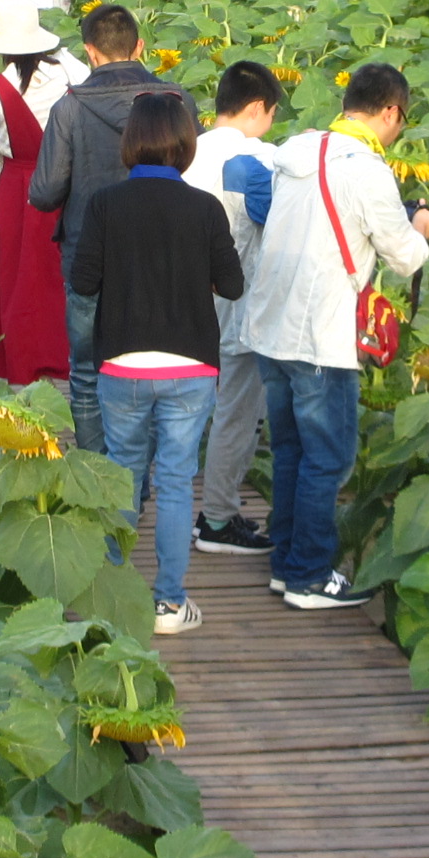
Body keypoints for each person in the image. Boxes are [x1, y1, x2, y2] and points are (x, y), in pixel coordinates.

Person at [236, 63, 429, 610]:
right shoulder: (368, 170)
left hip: (270, 324)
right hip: (320, 334)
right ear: (391, 111)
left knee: (289, 451)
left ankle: (286, 563)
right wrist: (420, 227)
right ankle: (308, 576)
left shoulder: (296, 150)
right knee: (327, 458)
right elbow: (404, 256)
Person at [67, 92, 243, 637]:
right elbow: (233, 285)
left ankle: (112, 597)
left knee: (122, 475)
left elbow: (82, 281)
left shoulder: (105, 204)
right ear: (186, 146)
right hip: (190, 367)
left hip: (121, 363)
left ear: (131, 144)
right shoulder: (205, 209)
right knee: (174, 482)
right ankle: (169, 603)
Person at [28, 5, 181, 454]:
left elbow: (45, 192)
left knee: (87, 370)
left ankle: (97, 471)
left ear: (90, 52)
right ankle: (139, 475)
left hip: (87, 256)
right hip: (163, 255)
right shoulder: (178, 103)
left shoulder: (70, 107)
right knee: (153, 368)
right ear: (140, 47)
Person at [183, 61, 283, 557]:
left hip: (181, 298)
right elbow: (280, 222)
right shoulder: (259, 158)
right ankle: (217, 519)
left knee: (181, 412)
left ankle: (163, 508)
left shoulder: (188, 150)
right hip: (237, 303)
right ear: (258, 108)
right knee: (237, 413)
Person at [0, 0, 85, 386]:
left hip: (18, 185)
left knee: (16, 270)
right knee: (53, 268)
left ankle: (19, 357)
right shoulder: (66, 73)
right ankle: (60, 352)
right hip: (62, 177)